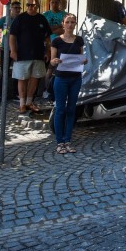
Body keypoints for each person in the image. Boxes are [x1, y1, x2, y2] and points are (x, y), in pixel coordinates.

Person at [48, 13, 86, 153]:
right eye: (67, 22)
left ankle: (68, 140)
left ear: (75, 24)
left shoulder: (79, 40)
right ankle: (60, 142)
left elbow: (81, 57)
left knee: (71, 109)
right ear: (63, 24)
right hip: (61, 78)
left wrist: (84, 60)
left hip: (75, 78)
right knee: (60, 109)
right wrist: (55, 61)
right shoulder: (57, 41)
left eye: (72, 22)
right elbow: (52, 61)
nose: (70, 25)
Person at [8, 0, 50, 114]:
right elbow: (12, 36)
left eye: (33, 5)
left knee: (35, 78)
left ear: (37, 6)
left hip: (38, 54)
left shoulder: (42, 19)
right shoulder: (20, 18)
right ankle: (22, 104)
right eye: (28, 5)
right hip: (22, 54)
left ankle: (29, 102)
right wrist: (13, 51)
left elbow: (47, 37)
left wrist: (47, 51)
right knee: (22, 78)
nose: (30, 7)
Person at [0, 0, 22, 102]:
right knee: (4, 72)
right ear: (10, 9)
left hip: (19, 49)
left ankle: (16, 94)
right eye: (15, 8)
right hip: (5, 49)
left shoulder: (21, 19)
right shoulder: (4, 19)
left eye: (19, 8)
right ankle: (0, 94)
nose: (17, 10)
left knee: (17, 72)